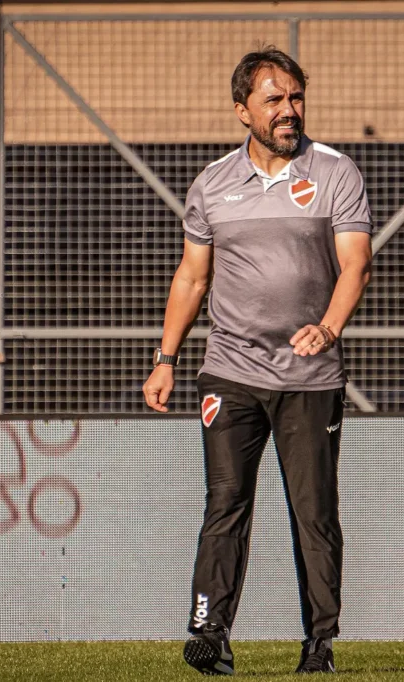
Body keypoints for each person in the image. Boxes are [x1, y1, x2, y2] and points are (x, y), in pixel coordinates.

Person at [142, 46, 373, 676]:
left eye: (295, 97)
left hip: (310, 378)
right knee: (226, 503)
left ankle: (319, 645)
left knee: (314, 512)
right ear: (242, 109)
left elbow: (355, 264)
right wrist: (166, 358)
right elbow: (192, 277)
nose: (288, 110)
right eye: (274, 100)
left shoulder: (335, 172)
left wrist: (328, 329)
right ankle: (209, 634)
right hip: (230, 371)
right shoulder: (212, 183)